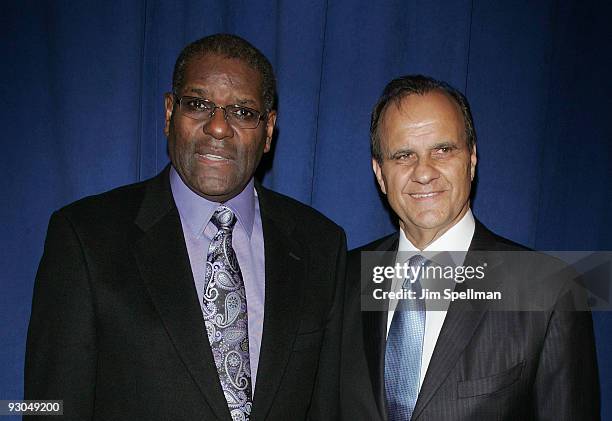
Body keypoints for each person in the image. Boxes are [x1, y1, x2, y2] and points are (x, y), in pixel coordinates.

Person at [25, 34, 347, 421]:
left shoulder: (321, 246)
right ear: (168, 114)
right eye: (197, 105)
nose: (217, 128)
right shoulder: (85, 238)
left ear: (268, 131)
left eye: (242, 112)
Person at [342, 75, 600, 420]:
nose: (424, 173)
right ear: (380, 172)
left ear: (472, 159)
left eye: (443, 150)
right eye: (404, 155)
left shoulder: (549, 288)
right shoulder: (343, 278)